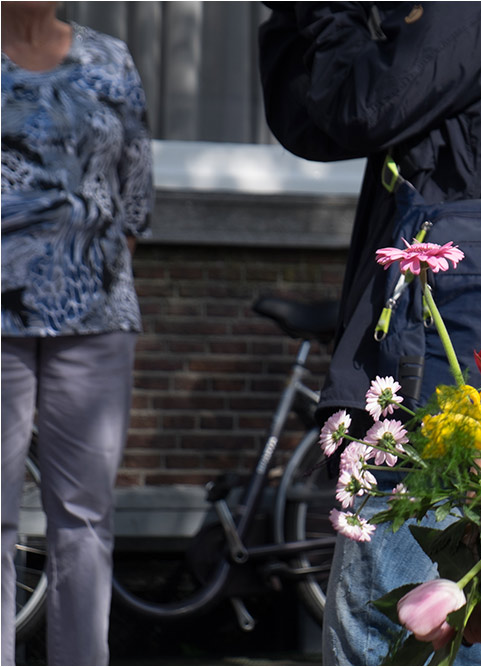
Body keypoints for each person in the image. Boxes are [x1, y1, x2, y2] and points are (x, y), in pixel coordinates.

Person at [258, 3, 481, 663]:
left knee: (401, 620)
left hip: (447, 348)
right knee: (430, 613)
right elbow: (313, 121)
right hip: (445, 334)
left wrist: (322, 12)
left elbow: (364, 105)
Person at [1, 2, 154, 665]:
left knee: (84, 520)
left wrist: (102, 268)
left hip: (92, 319)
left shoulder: (110, 60)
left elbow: (137, 189)